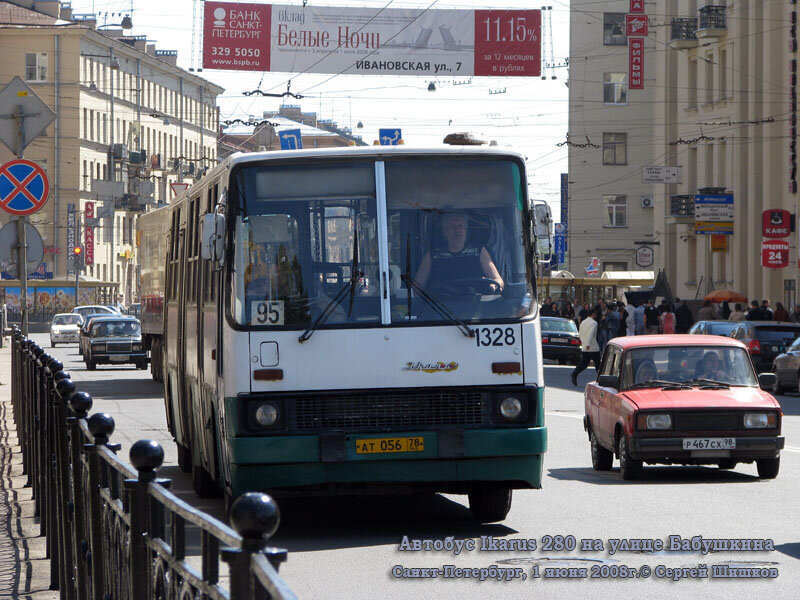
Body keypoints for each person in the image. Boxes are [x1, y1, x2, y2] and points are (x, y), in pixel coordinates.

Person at [415, 213, 504, 293]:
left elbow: (498, 280)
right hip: (440, 307)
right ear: (445, 231)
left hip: (477, 307)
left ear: (465, 229)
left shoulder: (479, 251)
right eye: (453, 226)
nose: (457, 230)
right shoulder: (432, 255)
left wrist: (494, 287)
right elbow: (416, 288)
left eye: (460, 226)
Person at [571, 307, 601, 386]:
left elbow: (580, 333)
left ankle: (575, 373)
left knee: (584, 363)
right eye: (595, 314)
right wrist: (588, 344)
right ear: (593, 314)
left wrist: (584, 343)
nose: (596, 315)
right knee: (598, 364)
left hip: (585, 346)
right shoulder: (594, 323)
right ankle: (601, 379)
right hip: (593, 347)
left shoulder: (583, 322)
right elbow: (591, 334)